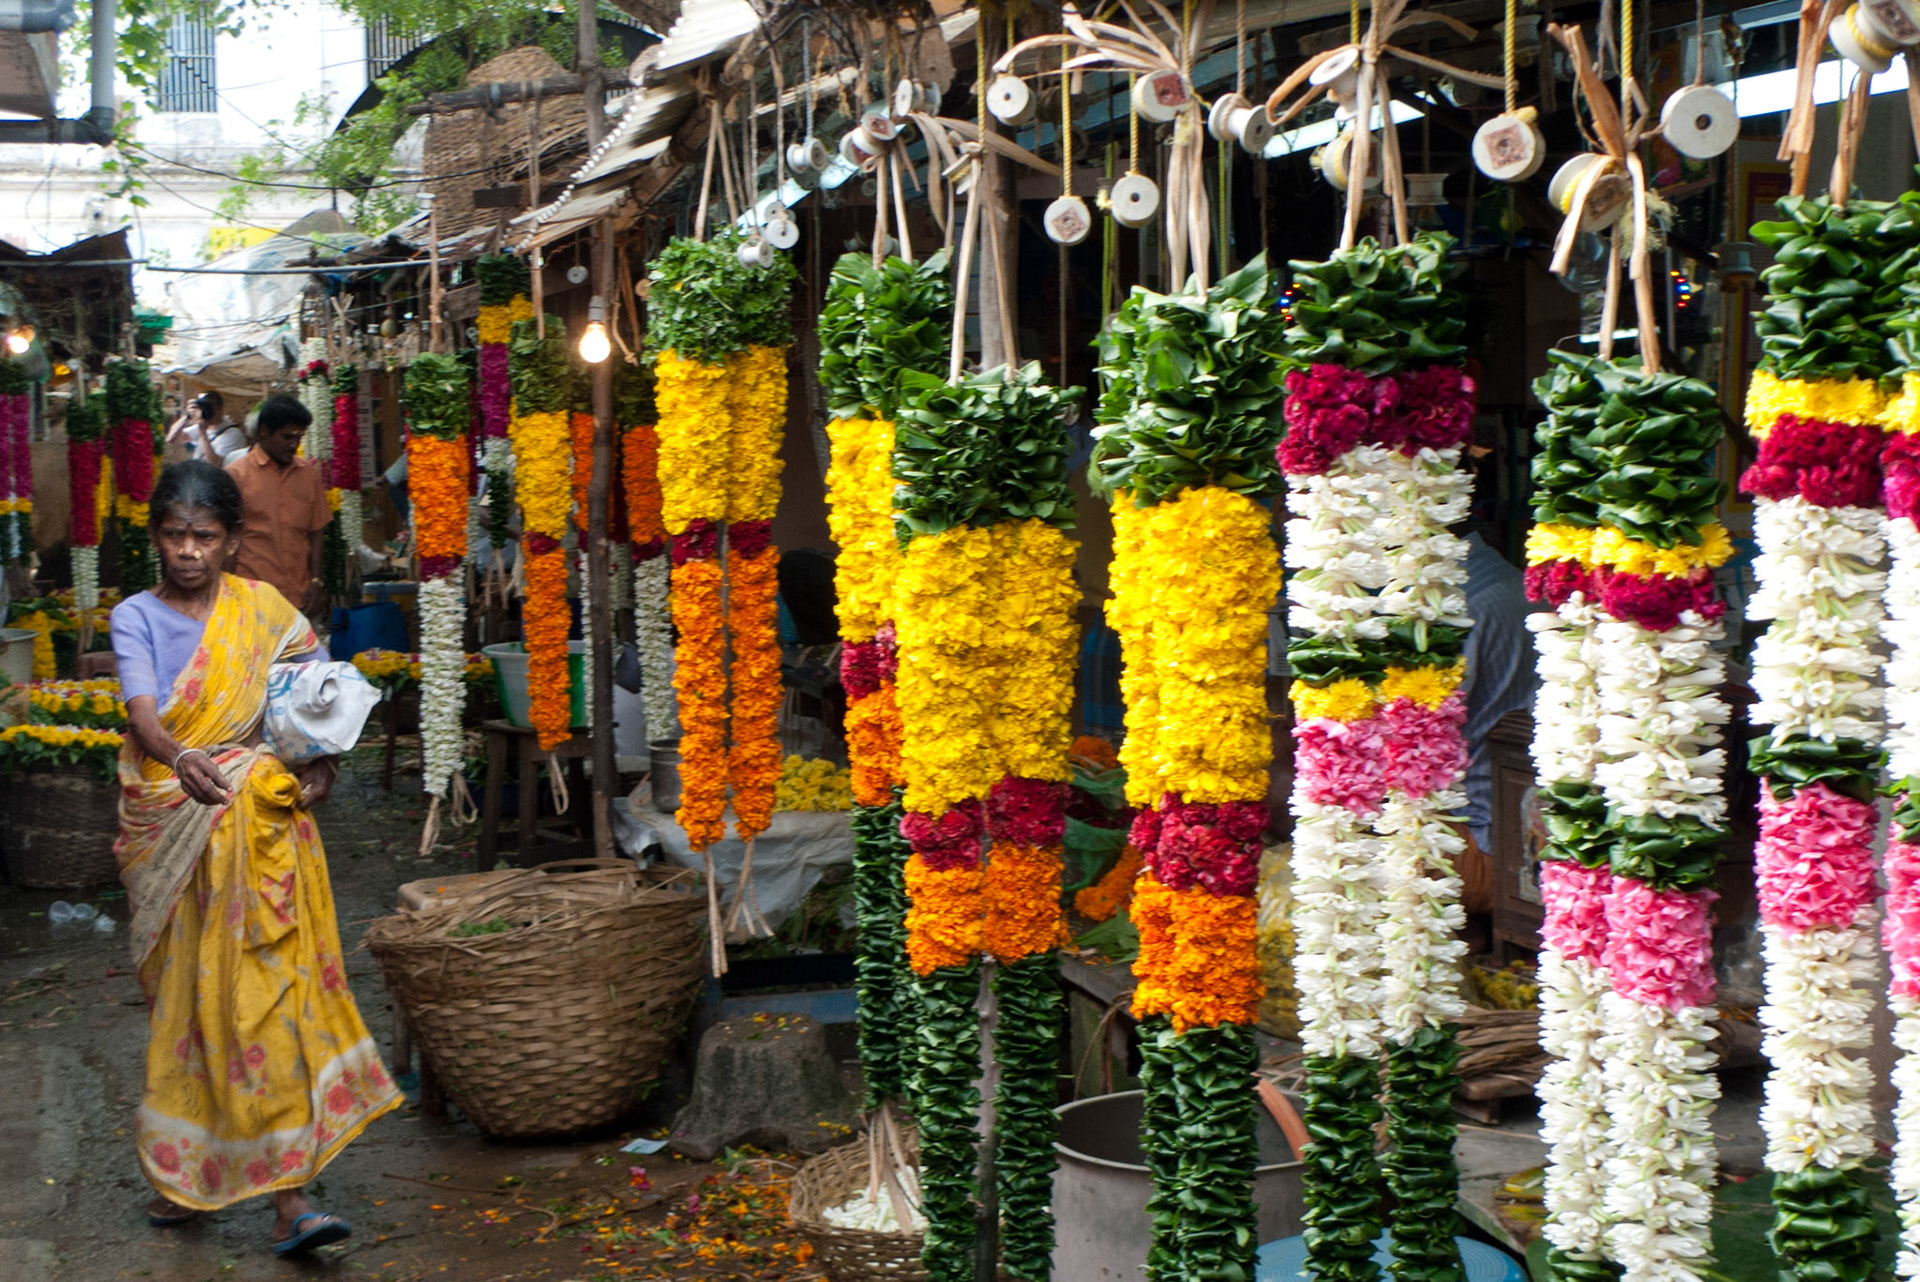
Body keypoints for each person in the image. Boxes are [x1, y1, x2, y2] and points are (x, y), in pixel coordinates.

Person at [109, 460, 398, 1253]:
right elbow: (143, 715)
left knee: (263, 1003)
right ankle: (185, 1179)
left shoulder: (264, 611)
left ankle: (289, 1203)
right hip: (178, 831)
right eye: (175, 535)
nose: (190, 551)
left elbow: (317, 692)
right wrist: (180, 757)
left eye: (205, 536)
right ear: (157, 540)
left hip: (262, 839)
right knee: (192, 1012)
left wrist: (321, 760)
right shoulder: (135, 616)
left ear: (233, 542)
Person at [226, 393, 331, 612]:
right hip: (251, 598)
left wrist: (316, 581)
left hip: (298, 597)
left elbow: (316, 531)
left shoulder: (308, 475)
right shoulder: (236, 476)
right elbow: (226, 540)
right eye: (287, 437)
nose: (294, 444)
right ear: (264, 431)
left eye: (299, 437)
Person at [166, 391, 248, 465]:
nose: (208, 411)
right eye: (204, 408)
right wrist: (186, 416)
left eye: (211, 408)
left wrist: (203, 435)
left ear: (220, 409)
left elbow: (215, 463)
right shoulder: (202, 427)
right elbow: (172, 439)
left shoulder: (233, 434)